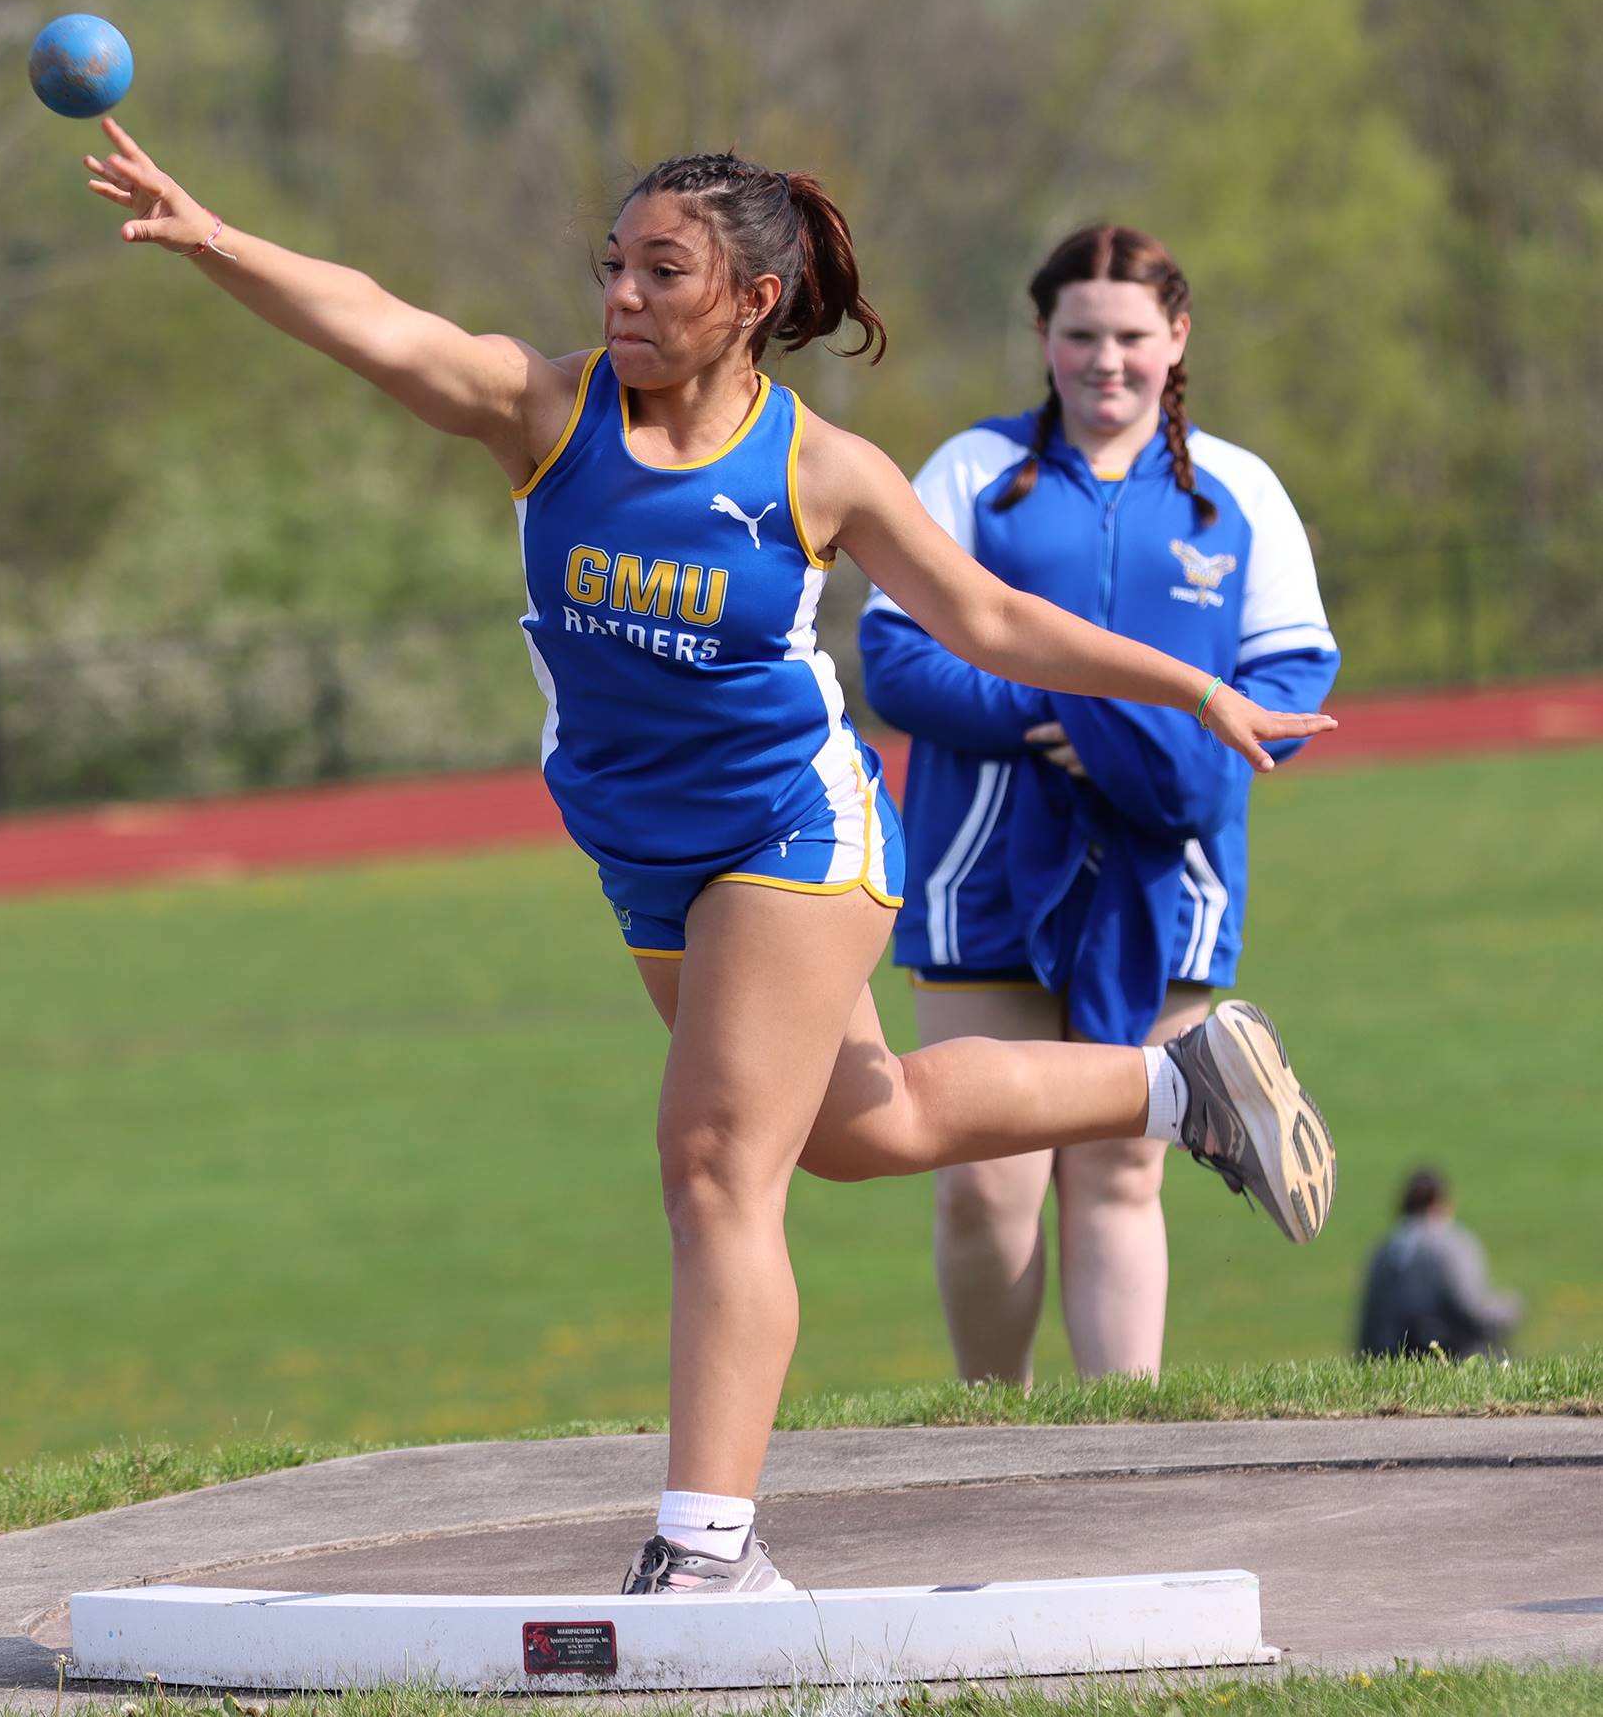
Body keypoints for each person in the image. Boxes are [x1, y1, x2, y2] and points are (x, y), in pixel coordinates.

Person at [82, 124, 1337, 1593]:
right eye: (611, 264)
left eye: (660, 270)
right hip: (642, 849)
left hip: (791, 833)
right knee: (858, 1131)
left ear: (749, 296)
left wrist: (1188, 685)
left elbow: (986, 624)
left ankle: (706, 1547)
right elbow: (376, 320)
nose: (620, 295)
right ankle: (1178, 1078)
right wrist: (213, 234)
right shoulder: (543, 414)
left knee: (712, 1169)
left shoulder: (820, 467)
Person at [858, 224, 1340, 1387]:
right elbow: (895, 662)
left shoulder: (1236, 494)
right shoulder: (973, 473)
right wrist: (1062, 718)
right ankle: (993, 1427)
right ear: (1042, 338)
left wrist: (1160, 754)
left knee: (1125, 1164)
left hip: (1167, 871)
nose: (1105, 361)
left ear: (1176, 338)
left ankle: (1116, 1442)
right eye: (1080, 336)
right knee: (984, 1174)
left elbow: (1288, 676)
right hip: (980, 862)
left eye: (1131, 336)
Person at [1358, 1168, 1522, 1360]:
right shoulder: (1451, 1243)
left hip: (1387, 1355)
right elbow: (1472, 1308)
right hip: (1444, 1353)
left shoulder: (1384, 1249)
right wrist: (1512, 1307)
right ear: (1439, 1201)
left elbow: (1368, 1321)